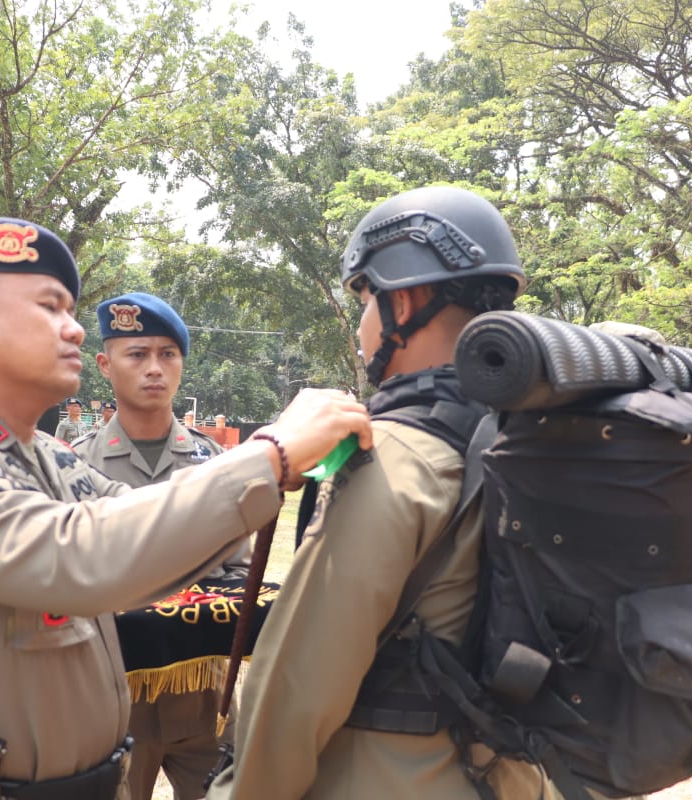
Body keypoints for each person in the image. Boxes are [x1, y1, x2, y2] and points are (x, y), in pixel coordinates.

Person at [0, 217, 370, 800]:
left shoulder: (44, 454)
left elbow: (148, 522)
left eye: (71, 310)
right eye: (51, 308)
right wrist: (269, 455)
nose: (74, 330)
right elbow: (84, 554)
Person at [208, 186, 553, 799]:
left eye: (366, 300)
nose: (363, 324)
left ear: (408, 299)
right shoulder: (531, 435)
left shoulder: (391, 456)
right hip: (515, 776)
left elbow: (298, 689)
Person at [73, 292, 248, 800]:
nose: (155, 368)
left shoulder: (215, 463)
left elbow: (234, 572)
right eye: (137, 354)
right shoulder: (75, 465)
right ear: (105, 364)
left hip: (204, 695)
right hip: (111, 697)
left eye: (167, 354)